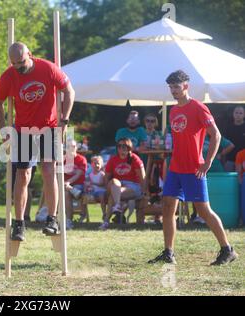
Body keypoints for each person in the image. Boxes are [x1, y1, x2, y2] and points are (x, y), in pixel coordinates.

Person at [148, 70, 237, 265]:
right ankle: (168, 253)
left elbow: (217, 135)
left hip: (194, 169)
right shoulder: (173, 111)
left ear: (186, 86)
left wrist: (208, 162)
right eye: (170, 87)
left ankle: (227, 249)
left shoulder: (198, 107)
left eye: (176, 87)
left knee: (203, 211)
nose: (173, 91)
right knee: (167, 206)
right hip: (176, 168)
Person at [0, 42, 75, 241]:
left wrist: (64, 119)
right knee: (23, 174)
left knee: (49, 170)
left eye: (21, 62)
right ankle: (19, 223)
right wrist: (4, 129)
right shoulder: (8, 76)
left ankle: (52, 219)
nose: (19, 67)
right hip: (23, 130)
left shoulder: (47, 68)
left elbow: (69, 91)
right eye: (14, 64)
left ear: (29, 54)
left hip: (49, 127)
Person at [100, 138, 146, 230]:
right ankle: (117, 206)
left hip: (132, 186)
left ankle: (106, 222)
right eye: (119, 146)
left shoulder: (134, 159)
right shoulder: (113, 159)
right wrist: (107, 189)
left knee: (113, 195)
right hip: (116, 185)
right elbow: (106, 178)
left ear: (129, 148)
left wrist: (145, 192)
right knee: (114, 182)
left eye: (124, 146)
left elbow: (143, 178)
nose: (121, 149)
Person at [63, 139, 87, 230]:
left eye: (73, 146)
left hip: (79, 185)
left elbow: (78, 174)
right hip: (65, 186)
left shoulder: (81, 159)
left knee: (66, 191)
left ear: (76, 147)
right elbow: (57, 173)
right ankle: (69, 221)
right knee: (66, 192)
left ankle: (68, 220)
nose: (71, 148)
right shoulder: (62, 159)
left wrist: (68, 182)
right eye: (68, 146)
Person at [84, 155, 107, 222]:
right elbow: (88, 184)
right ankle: (85, 215)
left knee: (101, 196)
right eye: (95, 163)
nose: (96, 165)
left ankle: (104, 213)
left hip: (101, 191)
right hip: (93, 191)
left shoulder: (102, 174)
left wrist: (93, 183)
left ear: (101, 165)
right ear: (91, 164)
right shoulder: (90, 174)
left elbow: (102, 184)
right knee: (84, 197)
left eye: (98, 164)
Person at [223, 105, 245, 172]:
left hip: (243, 160)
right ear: (233, 114)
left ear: (244, 115)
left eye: (240, 113)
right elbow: (224, 144)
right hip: (230, 159)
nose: (238, 115)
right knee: (228, 181)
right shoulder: (228, 127)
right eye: (236, 112)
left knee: (241, 180)